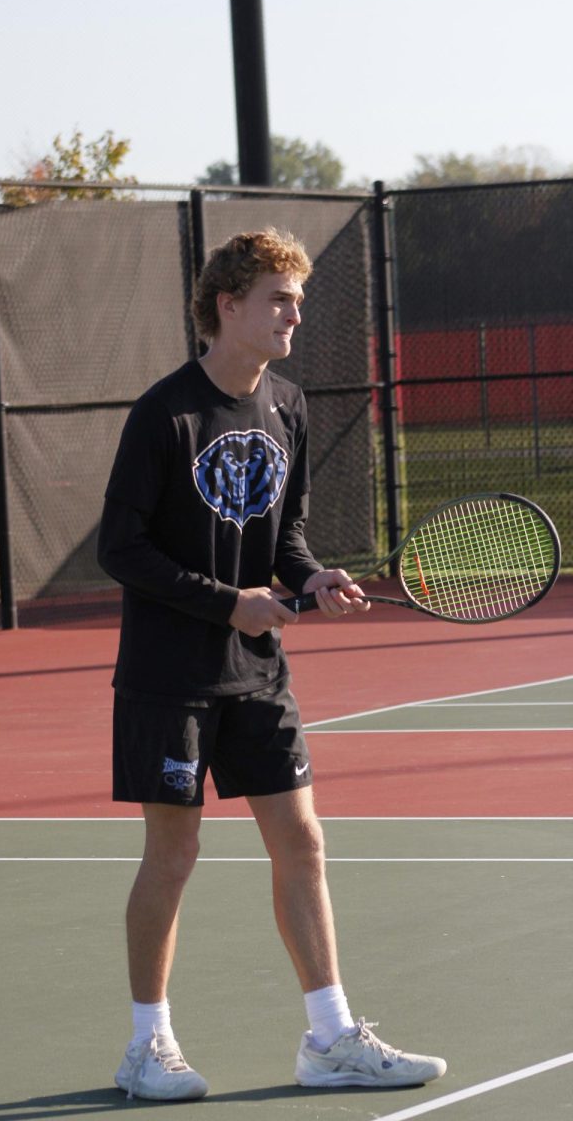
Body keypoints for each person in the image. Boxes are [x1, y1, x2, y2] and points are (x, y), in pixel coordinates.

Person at [97, 228, 446, 1101]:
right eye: (279, 299)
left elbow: (281, 534)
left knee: (303, 843)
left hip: (258, 673)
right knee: (173, 855)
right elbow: (120, 548)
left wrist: (311, 576)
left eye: (297, 298)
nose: (295, 314)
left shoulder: (286, 403)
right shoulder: (166, 413)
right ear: (228, 305)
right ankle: (148, 1047)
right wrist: (228, 602)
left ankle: (330, 1039)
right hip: (169, 675)